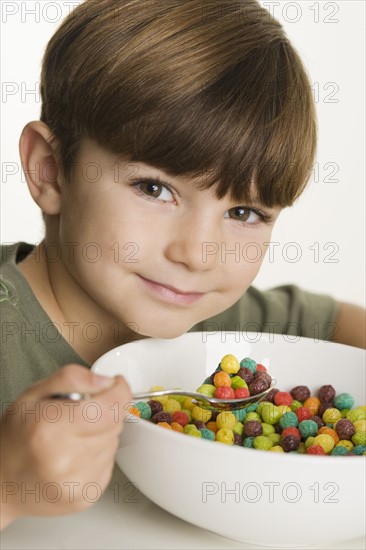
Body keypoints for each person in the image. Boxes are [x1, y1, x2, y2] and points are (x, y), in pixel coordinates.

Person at [1, 0, 364, 530]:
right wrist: (10, 486)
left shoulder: (218, 337)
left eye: (243, 212)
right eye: (155, 189)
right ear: (51, 171)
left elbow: (337, 325)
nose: (197, 255)